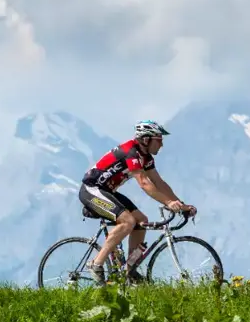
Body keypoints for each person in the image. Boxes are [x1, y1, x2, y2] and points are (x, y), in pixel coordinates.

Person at [78, 119, 196, 284]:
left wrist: (181, 204)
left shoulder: (145, 157)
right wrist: (168, 203)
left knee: (141, 221)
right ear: (146, 139)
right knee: (127, 221)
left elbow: (159, 183)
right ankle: (96, 264)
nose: (161, 145)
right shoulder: (131, 152)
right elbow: (144, 183)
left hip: (106, 191)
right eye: (159, 140)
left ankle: (130, 269)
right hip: (91, 190)